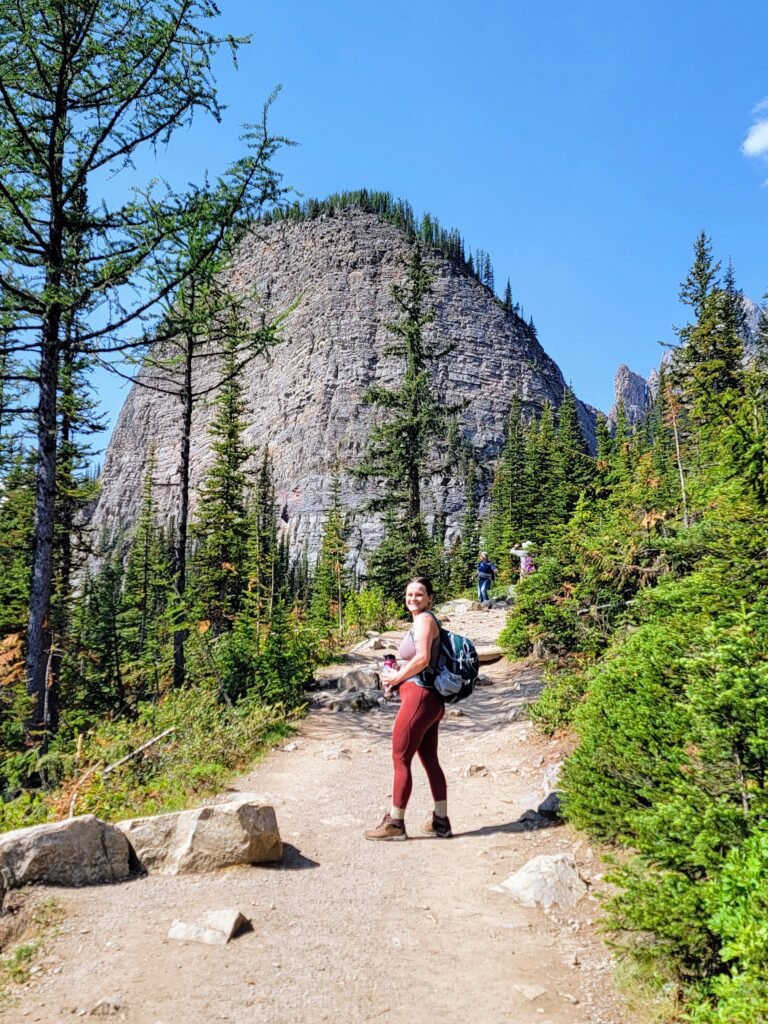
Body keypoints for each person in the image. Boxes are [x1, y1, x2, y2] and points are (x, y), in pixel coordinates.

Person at [364, 576, 451, 841]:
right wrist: (396, 674)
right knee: (429, 760)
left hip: (420, 698)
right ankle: (441, 821)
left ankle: (395, 823)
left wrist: (397, 677)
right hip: (431, 700)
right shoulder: (421, 620)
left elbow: (423, 658)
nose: (413, 598)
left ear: (430, 599)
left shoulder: (425, 620)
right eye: (409, 594)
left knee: (400, 759)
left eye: (419, 594)